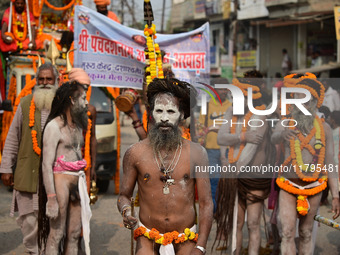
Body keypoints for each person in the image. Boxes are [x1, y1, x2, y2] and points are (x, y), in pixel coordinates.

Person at [117, 78, 213, 255]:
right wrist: (125, 211)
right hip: (147, 237)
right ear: (152, 113)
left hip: (186, 238)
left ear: (182, 114)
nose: (164, 118)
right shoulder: (135, 153)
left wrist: (200, 246)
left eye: (171, 111)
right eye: (159, 111)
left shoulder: (197, 153)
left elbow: (206, 203)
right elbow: (124, 195)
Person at [271, 77, 340, 254]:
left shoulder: (324, 129)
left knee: (306, 232)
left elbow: (330, 161)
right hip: (288, 185)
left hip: (314, 186)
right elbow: (274, 137)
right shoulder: (286, 122)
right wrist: (283, 134)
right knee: (286, 232)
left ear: (314, 103)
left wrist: (335, 195)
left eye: (306, 101)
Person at [0, 63, 59, 255]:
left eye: (48, 79)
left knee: (53, 222)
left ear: (56, 81)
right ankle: (33, 252)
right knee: (29, 222)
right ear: (36, 81)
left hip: (55, 177)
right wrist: (6, 168)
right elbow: (12, 137)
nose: (44, 83)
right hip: (28, 174)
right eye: (41, 79)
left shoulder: (62, 105)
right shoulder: (25, 104)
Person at [215, 71, 275, 255]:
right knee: (236, 223)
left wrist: (232, 171)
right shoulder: (230, 111)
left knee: (253, 223)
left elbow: (249, 151)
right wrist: (242, 136)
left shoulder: (260, 116)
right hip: (235, 174)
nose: (235, 100)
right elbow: (221, 138)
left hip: (253, 176)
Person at [38, 80, 91, 255]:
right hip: (60, 181)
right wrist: (51, 198)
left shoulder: (77, 126)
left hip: (77, 181)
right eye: (83, 98)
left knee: (74, 234)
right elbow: (46, 164)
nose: (86, 102)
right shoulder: (54, 126)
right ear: (72, 100)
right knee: (57, 234)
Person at [197, 77, 231, 212]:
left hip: (229, 150)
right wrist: (202, 133)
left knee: (227, 182)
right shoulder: (207, 105)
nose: (222, 92)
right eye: (219, 89)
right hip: (210, 149)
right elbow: (200, 127)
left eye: (224, 89)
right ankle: (214, 211)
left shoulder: (232, 106)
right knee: (213, 181)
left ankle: (225, 208)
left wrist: (216, 129)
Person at [68, 67, 97, 192]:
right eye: (81, 86)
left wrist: (93, 165)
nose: (84, 90)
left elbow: (93, 138)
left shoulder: (90, 110)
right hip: (65, 163)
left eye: (86, 87)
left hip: (85, 162)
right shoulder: (64, 109)